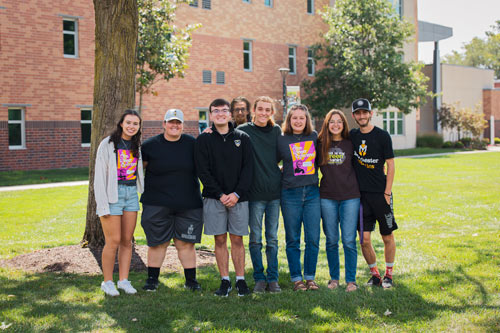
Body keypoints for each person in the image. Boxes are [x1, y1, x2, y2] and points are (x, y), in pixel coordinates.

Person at [195, 98, 254, 297]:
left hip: (239, 198)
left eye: (224, 110)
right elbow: (203, 171)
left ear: (230, 114)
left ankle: (240, 280)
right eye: (216, 111)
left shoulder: (242, 137)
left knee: (237, 239)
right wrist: (220, 195)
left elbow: (249, 169)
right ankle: (225, 281)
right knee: (219, 239)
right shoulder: (204, 139)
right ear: (210, 115)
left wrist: (236, 194)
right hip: (214, 198)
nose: (220, 113)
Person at [140, 109, 204, 292]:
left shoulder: (193, 144)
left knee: (186, 243)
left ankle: (191, 281)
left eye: (178, 123)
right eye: (171, 122)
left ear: (183, 125)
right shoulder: (150, 146)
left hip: (189, 203)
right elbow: (137, 173)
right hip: (156, 202)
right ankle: (152, 280)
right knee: (158, 243)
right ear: (164, 124)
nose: (174, 126)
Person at [94, 109, 144, 296]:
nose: (131, 126)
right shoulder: (107, 144)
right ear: (121, 124)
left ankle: (123, 280)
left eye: (135, 124)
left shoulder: (136, 145)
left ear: (139, 127)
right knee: (113, 240)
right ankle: (107, 282)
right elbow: (99, 177)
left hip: (131, 194)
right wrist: (102, 204)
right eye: (128, 122)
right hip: (112, 195)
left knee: (126, 241)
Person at [350, 98, 397, 289]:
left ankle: (389, 275)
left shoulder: (382, 136)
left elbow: (391, 165)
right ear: (354, 116)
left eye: (365, 112)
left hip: (380, 194)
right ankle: (375, 275)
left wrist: (387, 193)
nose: (362, 116)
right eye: (358, 113)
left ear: (371, 113)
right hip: (360, 197)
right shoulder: (352, 136)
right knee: (364, 240)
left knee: (387, 236)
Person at [238, 96, 282, 293]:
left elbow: (282, 156)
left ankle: (273, 279)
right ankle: (259, 278)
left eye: (267, 110)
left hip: (274, 193)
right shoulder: (243, 131)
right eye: (260, 109)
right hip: (254, 195)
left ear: (272, 112)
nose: (264, 113)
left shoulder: (276, 131)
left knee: (272, 239)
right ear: (253, 111)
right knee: (255, 239)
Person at [277, 104, 321, 291]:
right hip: (290, 194)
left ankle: (310, 277)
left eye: (301, 118)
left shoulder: (314, 137)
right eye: (294, 118)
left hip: (312, 193)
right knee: (293, 238)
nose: (298, 121)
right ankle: (297, 279)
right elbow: (271, 162)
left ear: (307, 120)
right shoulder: (281, 140)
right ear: (289, 120)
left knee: (312, 238)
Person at [317, 109, 360, 292]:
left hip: (350, 197)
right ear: (327, 124)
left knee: (349, 240)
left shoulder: (351, 143)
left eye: (339, 121)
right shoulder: (320, 144)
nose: (335, 125)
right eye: (332, 121)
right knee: (332, 240)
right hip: (327, 197)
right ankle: (334, 278)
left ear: (344, 124)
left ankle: (351, 280)